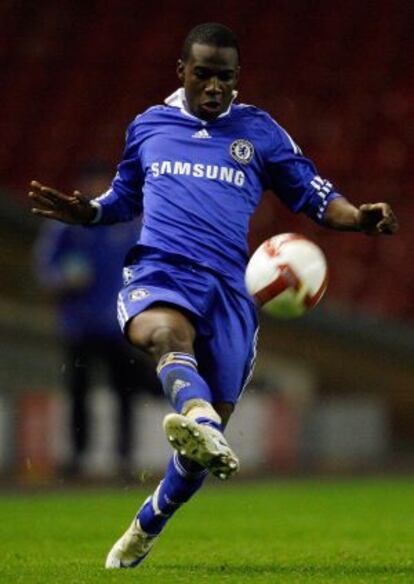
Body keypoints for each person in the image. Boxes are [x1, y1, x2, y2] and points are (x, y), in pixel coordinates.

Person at [28, 23, 398, 569]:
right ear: (181, 71)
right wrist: (89, 213)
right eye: (203, 74)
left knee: (203, 452)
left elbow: (317, 196)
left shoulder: (260, 133)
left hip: (229, 289)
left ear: (236, 79)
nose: (214, 87)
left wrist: (359, 218)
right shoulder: (148, 126)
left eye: (225, 77)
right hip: (159, 269)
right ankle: (195, 412)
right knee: (163, 333)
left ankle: (149, 520)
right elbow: (124, 196)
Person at [34, 164, 158, 477]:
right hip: (80, 325)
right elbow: (46, 267)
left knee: (125, 394)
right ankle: (78, 457)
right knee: (79, 394)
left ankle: (125, 458)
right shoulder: (66, 225)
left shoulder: (128, 222)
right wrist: (63, 279)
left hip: (119, 324)